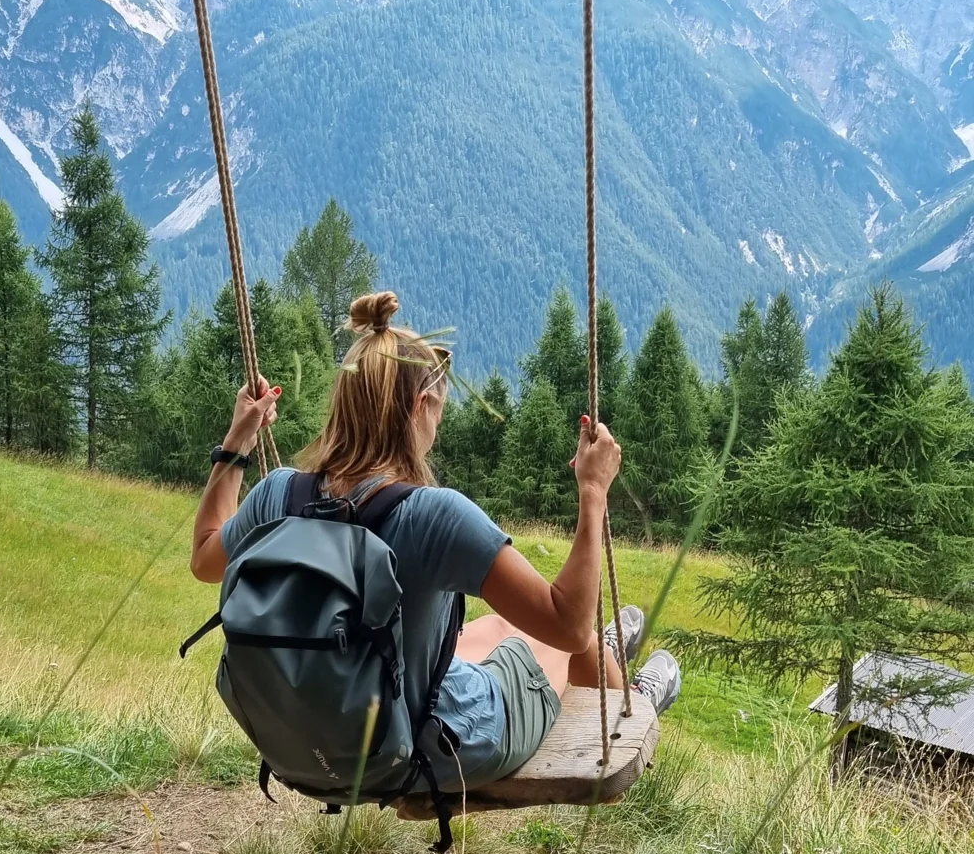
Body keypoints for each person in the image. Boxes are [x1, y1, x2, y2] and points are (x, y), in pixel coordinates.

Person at [190, 291, 680, 795]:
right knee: (556, 643)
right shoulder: (432, 515)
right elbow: (569, 625)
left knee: (499, 624)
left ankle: (610, 658)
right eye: (438, 413)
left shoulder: (277, 495)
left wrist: (237, 442)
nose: (437, 428)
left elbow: (206, 558)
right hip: (424, 748)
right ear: (419, 405)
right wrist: (594, 492)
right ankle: (634, 699)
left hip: (304, 736)